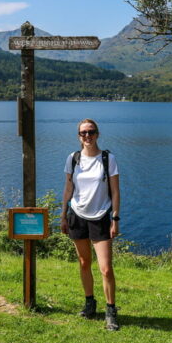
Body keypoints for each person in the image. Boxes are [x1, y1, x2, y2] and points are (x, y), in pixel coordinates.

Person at [61, 118, 121, 331]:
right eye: (83, 133)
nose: (87, 136)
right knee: (84, 263)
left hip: (101, 216)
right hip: (77, 215)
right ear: (78, 136)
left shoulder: (108, 159)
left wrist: (115, 218)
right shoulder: (73, 159)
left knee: (106, 268)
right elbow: (68, 189)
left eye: (91, 132)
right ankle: (89, 303)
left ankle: (111, 311)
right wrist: (63, 215)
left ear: (98, 134)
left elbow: (115, 191)